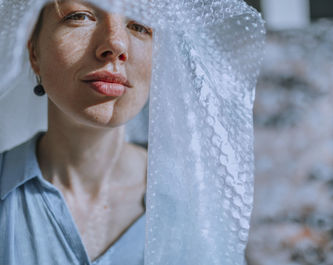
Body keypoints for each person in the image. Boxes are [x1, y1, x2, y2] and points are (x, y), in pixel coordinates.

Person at [0, 0, 266, 264]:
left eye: (139, 26)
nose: (116, 45)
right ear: (34, 51)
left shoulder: (197, 203)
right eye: (80, 16)